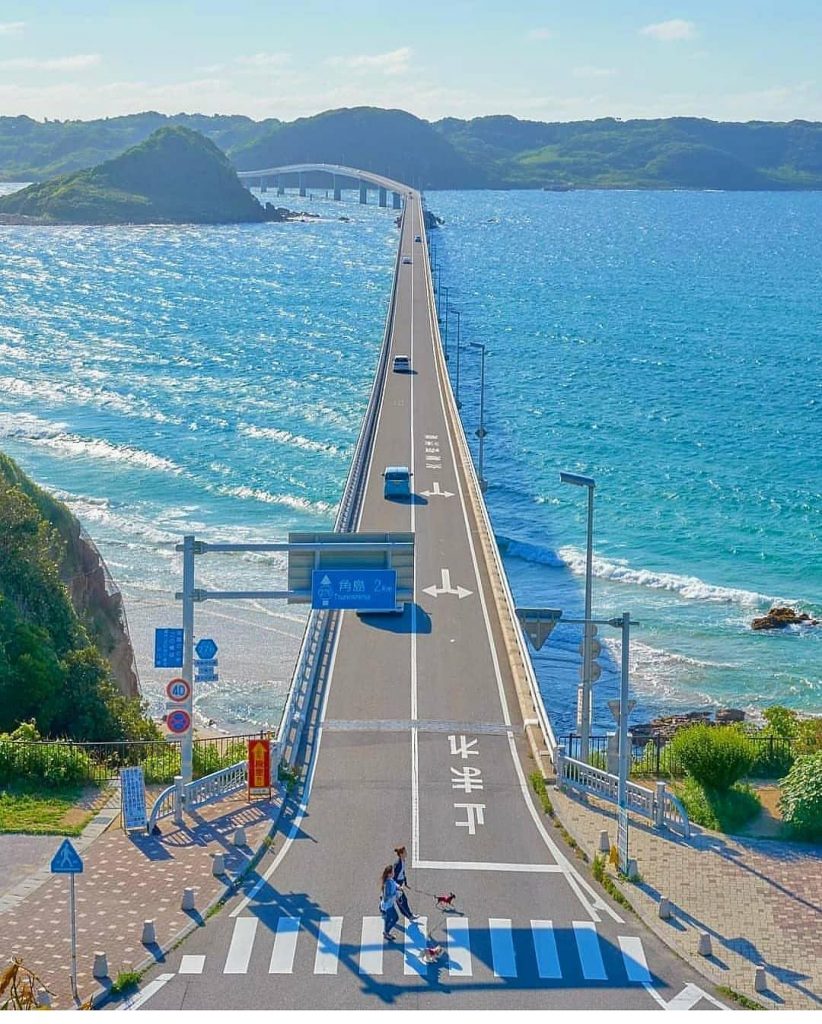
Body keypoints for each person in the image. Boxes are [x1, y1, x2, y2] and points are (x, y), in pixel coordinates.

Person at [392, 845, 416, 921]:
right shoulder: (398, 864)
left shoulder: (403, 861)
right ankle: (409, 915)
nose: (406, 853)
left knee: (400, 901)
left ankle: (409, 914)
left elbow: (402, 873)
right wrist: (397, 887)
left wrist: (405, 883)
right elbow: (394, 877)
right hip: (397, 884)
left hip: (400, 883)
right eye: (405, 852)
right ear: (401, 854)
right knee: (402, 901)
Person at [379, 865, 400, 940]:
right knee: (395, 918)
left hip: (389, 905)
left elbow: (394, 884)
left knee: (388, 918)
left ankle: (386, 931)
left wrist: (398, 887)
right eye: (393, 872)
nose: (394, 873)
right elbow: (386, 897)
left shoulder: (390, 880)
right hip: (388, 906)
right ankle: (386, 932)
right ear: (389, 874)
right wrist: (395, 895)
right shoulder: (387, 884)